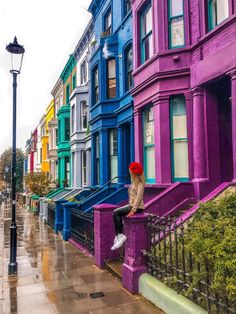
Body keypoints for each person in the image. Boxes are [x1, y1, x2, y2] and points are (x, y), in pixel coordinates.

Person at [111, 162, 145, 250]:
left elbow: (139, 197)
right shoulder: (134, 182)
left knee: (116, 212)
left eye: (130, 170)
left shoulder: (140, 182)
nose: (129, 171)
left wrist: (133, 209)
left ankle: (120, 236)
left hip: (138, 207)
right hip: (131, 205)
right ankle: (118, 236)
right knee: (117, 213)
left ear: (133, 172)